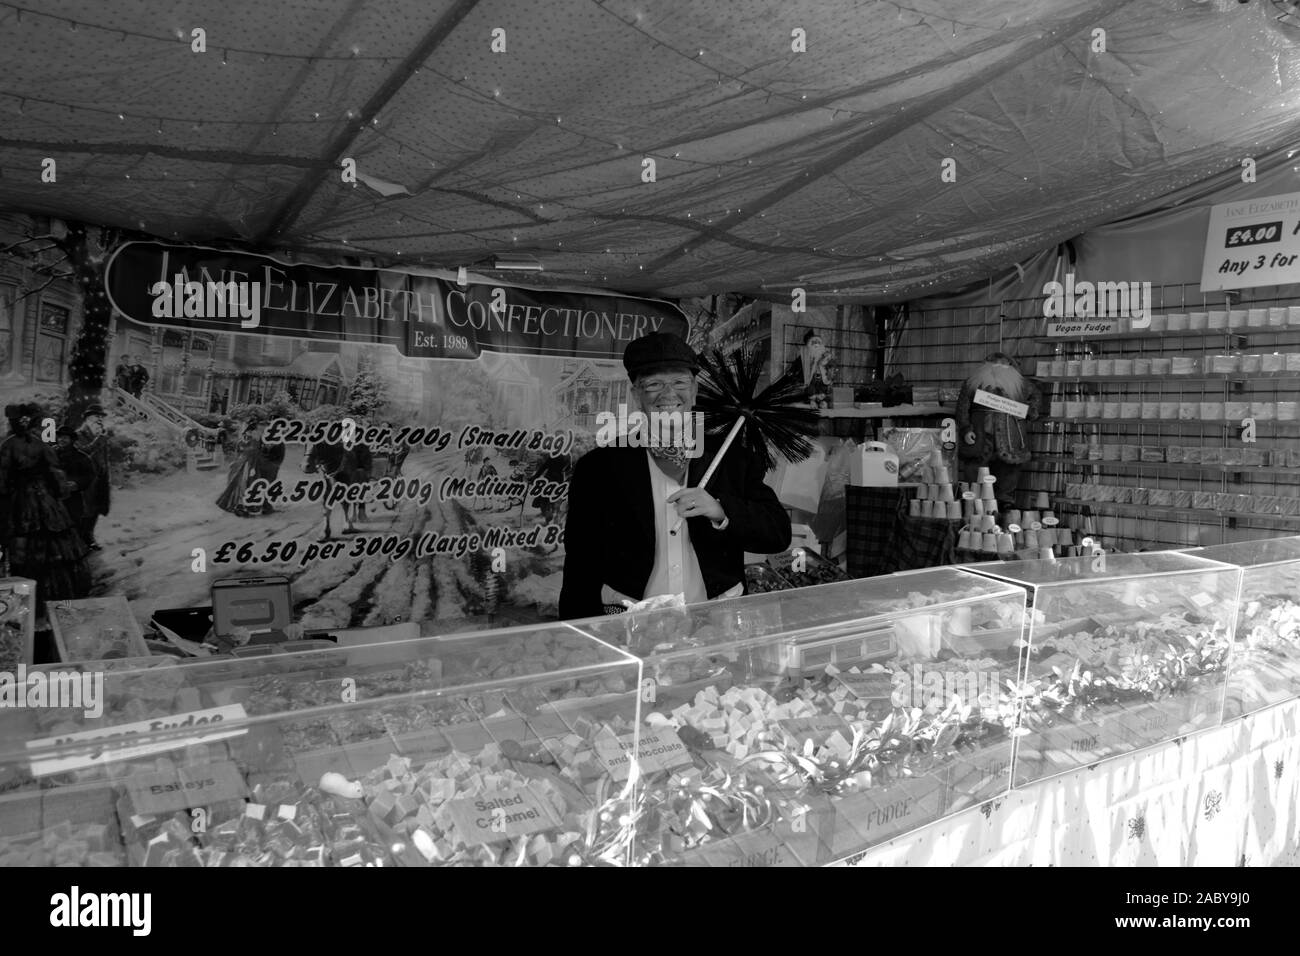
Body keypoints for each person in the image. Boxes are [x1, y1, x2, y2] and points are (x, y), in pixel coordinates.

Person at [559, 332, 791, 620]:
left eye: (679, 382)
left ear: (694, 390)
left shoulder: (732, 457)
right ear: (636, 395)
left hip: (716, 619)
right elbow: (581, 559)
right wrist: (575, 634)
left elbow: (777, 535)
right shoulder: (599, 467)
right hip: (629, 623)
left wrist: (721, 510)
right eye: (654, 384)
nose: (668, 394)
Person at [0, 404, 92, 606]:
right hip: (46, 504)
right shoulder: (42, 446)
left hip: (20, 505)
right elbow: (56, 478)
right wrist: (58, 492)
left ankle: (26, 600)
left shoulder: (7, 446)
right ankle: (53, 599)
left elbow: (2, 483)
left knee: (22, 552)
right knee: (52, 550)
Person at [956, 352, 1042, 511]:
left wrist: (1029, 411)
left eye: (1002, 364)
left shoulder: (1022, 386)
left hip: (1011, 435)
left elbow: (1036, 396)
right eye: (994, 364)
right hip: (981, 433)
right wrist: (966, 429)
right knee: (975, 466)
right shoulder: (971, 384)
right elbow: (962, 409)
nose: (998, 368)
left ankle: (1004, 500)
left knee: (1009, 469)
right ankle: (974, 500)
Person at [75, 403, 111, 549]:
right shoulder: (78, 435)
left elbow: (103, 456)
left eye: (101, 417)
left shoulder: (100, 434)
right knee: (86, 510)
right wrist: (99, 441)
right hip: (86, 480)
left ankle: (89, 537)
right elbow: (82, 453)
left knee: (96, 509)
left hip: (100, 478)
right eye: (97, 417)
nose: (100, 420)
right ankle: (80, 540)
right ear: (87, 419)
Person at [215, 417, 268, 517]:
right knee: (237, 484)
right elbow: (238, 453)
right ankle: (239, 505)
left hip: (250, 464)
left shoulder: (256, 441)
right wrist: (234, 463)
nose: (248, 434)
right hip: (240, 464)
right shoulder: (242, 442)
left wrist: (253, 468)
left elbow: (257, 455)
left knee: (248, 484)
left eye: (249, 432)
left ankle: (247, 505)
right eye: (246, 432)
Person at [54, 427, 97, 544]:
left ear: (72, 440)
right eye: (59, 437)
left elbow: (89, 475)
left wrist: (77, 484)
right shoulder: (51, 454)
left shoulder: (81, 457)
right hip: (54, 498)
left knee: (74, 524)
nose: (61, 440)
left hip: (73, 498)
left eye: (65, 438)